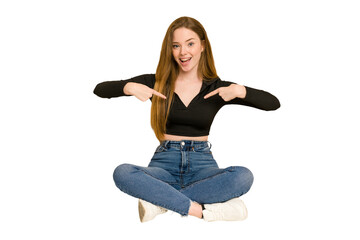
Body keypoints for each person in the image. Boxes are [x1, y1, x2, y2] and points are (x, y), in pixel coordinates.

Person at [93, 16, 280, 222]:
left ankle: (160, 203)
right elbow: (99, 89)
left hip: (203, 166)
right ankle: (201, 211)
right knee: (122, 173)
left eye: (190, 43)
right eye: (176, 46)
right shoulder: (156, 82)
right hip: (163, 165)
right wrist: (128, 87)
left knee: (244, 176)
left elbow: (273, 103)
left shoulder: (217, 88)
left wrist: (240, 90)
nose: (183, 52)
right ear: (170, 50)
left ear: (202, 46)